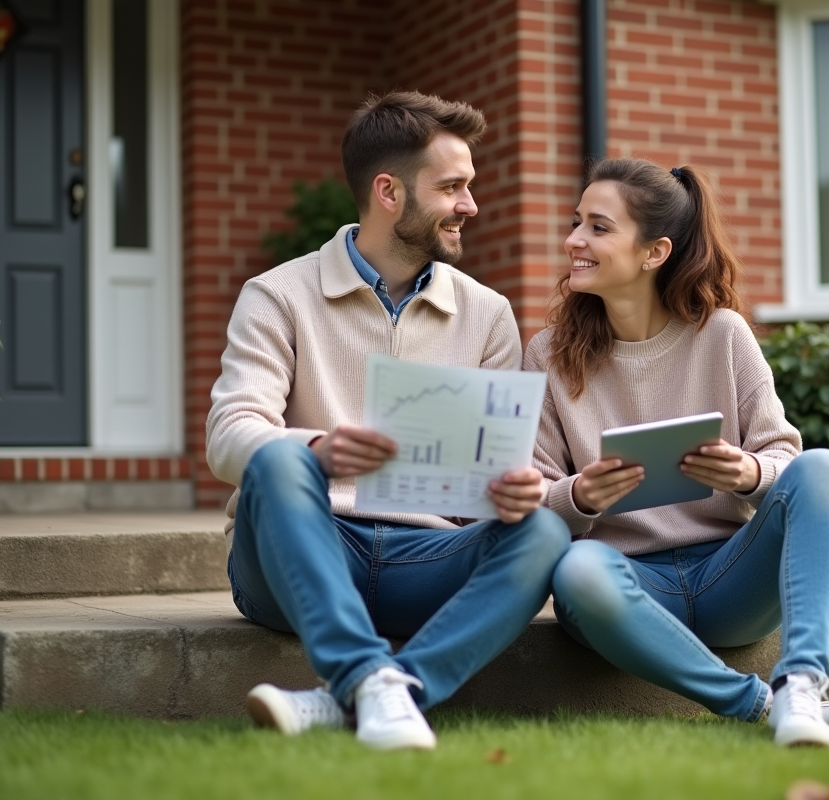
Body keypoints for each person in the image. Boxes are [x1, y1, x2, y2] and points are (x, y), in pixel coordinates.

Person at [207, 91, 569, 751]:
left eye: (469, 186)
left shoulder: (488, 315)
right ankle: (368, 679)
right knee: (281, 456)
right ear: (389, 192)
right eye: (452, 187)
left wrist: (511, 488)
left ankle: (369, 692)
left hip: (427, 558)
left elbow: (490, 470)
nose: (471, 205)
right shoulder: (277, 296)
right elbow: (229, 437)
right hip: (299, 553)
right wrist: (318, 450)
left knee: (544, 529)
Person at [524, 158, 829, 747]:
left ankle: (803, 685)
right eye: (577, 222)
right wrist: (578, 495)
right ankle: (758, 704)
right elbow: (531, 495)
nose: (574, 239)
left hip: (730, 577)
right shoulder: (547, 355)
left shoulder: (723, 334)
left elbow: (785, 458)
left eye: (598, 227)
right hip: (625, 584)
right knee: (577, 570)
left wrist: (748, 472)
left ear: (654, 253)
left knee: (825, 468)